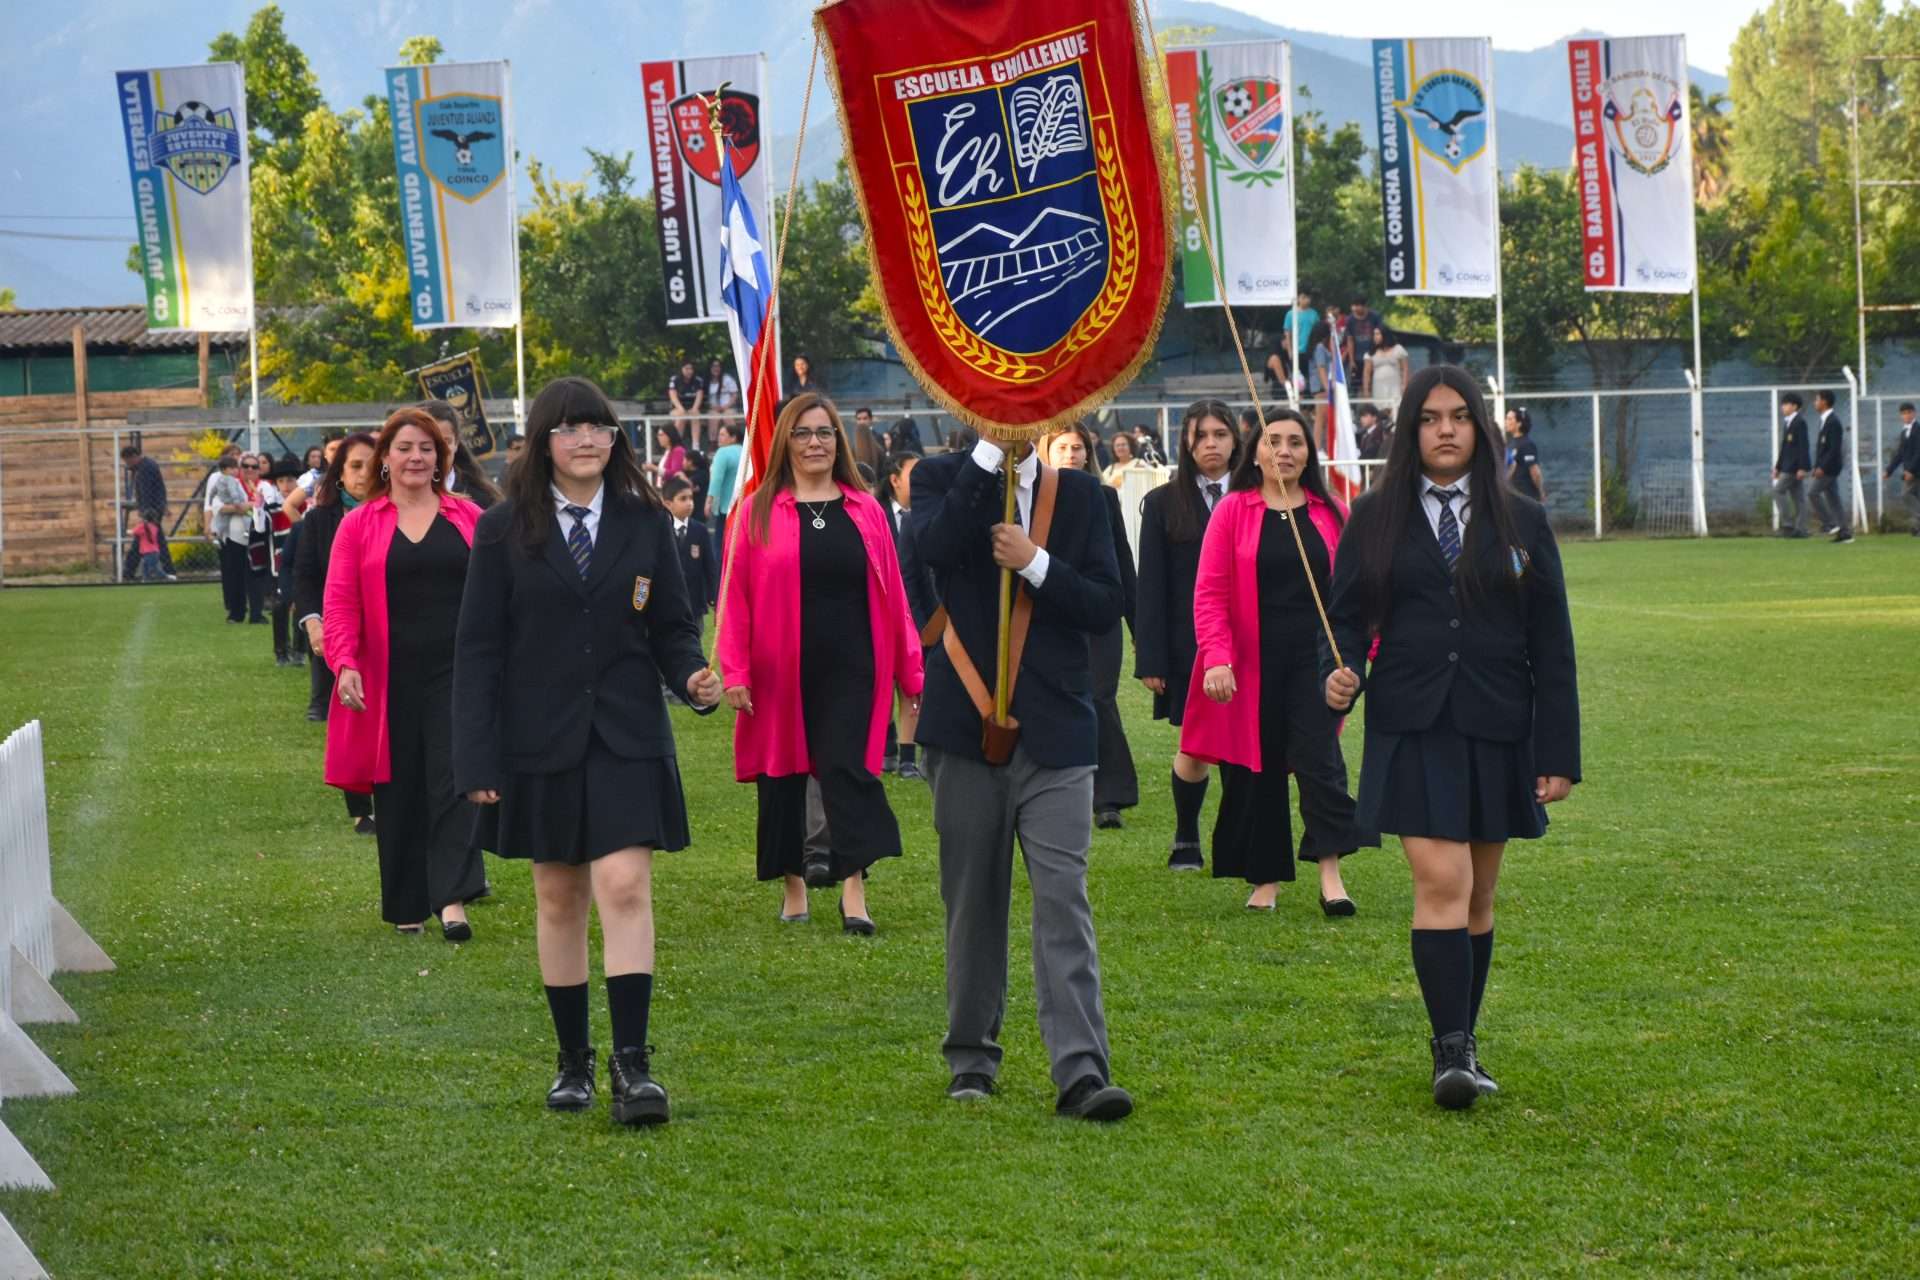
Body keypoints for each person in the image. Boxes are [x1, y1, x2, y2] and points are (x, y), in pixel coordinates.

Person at [455, 375, 722, 1127]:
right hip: (536, 740)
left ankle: (633, 1068)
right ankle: (571, 1061)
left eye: (599, 428)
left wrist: (692, 677)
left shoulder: (645, 522)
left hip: (628, 735)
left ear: (615, 440)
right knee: (558, 896)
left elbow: (670, 627)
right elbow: (478, 651)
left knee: (626, 885)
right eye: (570, 429)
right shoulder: (501, 530)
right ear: (543, 441)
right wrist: (475, 760)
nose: (586, 441)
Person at [1321, 365, 1580, 1110]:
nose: (1444, 429)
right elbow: (1343, 620)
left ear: (1480, 427)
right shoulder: (1372, 517)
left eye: (1459, 416)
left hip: (1500, 727)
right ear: (1409, 430)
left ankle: (1464, 1040)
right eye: (1430, 417)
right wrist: (1336, 673)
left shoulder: (1523, 521)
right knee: (1443, 883)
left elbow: (1551, 639)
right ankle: (1451, 1054)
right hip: (1412, 725)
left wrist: (1558, 754)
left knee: (1479, 897)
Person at [909, 425, 1132, 1121]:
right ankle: (971, 1058)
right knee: (973, 900)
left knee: (1064, 899)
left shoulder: (1084, 495)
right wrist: (985, 458)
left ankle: (1082, 1071)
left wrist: (1037, 563)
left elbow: (1105, 602)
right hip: (965, 727)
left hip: (1059, 733)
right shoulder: (941, 478)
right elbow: (932, 550)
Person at [719, 394, 923, 934]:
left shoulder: (867, 511)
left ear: (839, 441)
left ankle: (853, 889)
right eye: (804, 433)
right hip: (777, 669)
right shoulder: (754, 512)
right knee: (782, 779)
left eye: (825, 432)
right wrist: (735, 671)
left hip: (853, 664)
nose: (815, 442)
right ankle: (794, 886)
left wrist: (910, 670)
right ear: (784, 441)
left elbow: (894, 595)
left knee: (850, 771)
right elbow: (734, 599)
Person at [1183, 409, 1360, 912]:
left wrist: (1358, 655)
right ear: (1255, 452)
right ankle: (1265, 878)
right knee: (1255, 770)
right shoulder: (1233, 511)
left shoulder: (1332, 514)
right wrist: (1217, 658)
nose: (1284, 450)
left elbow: (1352, 597)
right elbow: (1210, 593)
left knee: (1320, 763)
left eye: (1296, 443)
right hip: (1249, 665)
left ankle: (1331, 874)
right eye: (1273, 441)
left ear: (1309, 455)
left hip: (1316, 664)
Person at [323, 408, 487, 939]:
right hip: (386, 678)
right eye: (405, 448)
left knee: (454, 781)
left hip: (458, 674)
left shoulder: (470, 518)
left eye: (427, 448)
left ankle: (453, 899)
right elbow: (340, 603)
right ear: (386, 459)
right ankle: (407, 904)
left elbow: (498, 595)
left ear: (442, 458)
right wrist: (344, 662)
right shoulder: (358, 524)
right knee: (399, 790)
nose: (416, 457)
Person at [1135, 399, 1241, 870]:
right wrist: (1151, 659)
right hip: (1187, 646)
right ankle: (1186, 838)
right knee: (1194, 745)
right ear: (1186, 444)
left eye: (1220, 434)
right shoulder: (1161, 503)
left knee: (1246, 748)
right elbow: (1150, 585)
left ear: (1236, 439)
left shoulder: (1260, 497)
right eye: (1200, 436)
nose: (1211, 444)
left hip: (1250, 644)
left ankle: (1239, 839)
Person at [1044, 423, 1137, 831]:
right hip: (1054, 615)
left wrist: (1141, 630)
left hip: (1100, 615)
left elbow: (1123, 565)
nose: (1070, 454)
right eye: (1062, 447)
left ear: (1088, 453)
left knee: (1101, 698)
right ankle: (1061, 791)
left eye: (1077, 447)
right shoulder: (1035, 499)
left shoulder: (1105, 497)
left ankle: (1110, 797)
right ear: (1047, 452)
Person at [295, 429, 381, 853]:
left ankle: (393, 791)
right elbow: (306, 576)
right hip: (340, 631)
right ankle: (362, 806)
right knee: (352, 713)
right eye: (355, 465)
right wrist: (314, 623)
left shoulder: (401, 513)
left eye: (372, 463)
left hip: (388, 632)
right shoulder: (320, 519)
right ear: (340, 475)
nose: (365, 473)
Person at [877, 450, 933, 780]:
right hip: (884, 615)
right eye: (915, 473)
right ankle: (886, 748)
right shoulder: (877, 514)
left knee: (914, 686)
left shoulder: (927, 515)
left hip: (918, 616)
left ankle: (909, 755)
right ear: (895, 480)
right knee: (884, 684)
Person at [419, 400, 504, 509]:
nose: (437, 451)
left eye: (445, 442)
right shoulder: (393, 498)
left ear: (456, 443)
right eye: (425, 444)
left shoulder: (482, 501)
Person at [207, 455, 259, 623]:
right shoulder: (221, 485)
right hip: (231, 538)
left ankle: (255, 612)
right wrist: (241, 507)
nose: (238, 471)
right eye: (235, 468)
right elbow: (220, 508)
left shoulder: (240, 485)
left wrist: (246, 506)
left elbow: (250, 505)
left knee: (250, 575)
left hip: (247, 535)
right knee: (234, 576)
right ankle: (237, 612)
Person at [119, 444, 177, 581]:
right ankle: (167, 571)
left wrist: (145, 513)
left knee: (149, 541)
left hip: (151, 512)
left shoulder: (145, 468)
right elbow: (157, 489)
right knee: (151, 541)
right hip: (153, 510)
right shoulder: (147, 465)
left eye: (128, 461)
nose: (128, 465)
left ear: (134, 457)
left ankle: (129, 572)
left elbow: (147, 492)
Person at [662, 476, 714, 623]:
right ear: (668, 504)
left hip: (694, 603)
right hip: (667, 603)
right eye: (683, 499)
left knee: (694, 640)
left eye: (691, 498)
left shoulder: (700, 530)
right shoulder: (659, 530)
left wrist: (713, 595)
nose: (689, 503)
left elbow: (709, 566)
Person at [1809, 390, 1852, 542]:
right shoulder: (1825, 420)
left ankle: (1830, 523)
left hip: (1830, 468)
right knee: (1834, 499)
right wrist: (1816, 465)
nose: (1815, 403)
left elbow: (1834, 449)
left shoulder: (1833, 422)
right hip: (1825, 467)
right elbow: (1822, 448)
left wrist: (1822, 467)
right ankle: (1845, 533)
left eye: (1817, 399)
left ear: (1824, 402)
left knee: (1812, 493)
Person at [1773, 394, 1812, 538]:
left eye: (1786, 404)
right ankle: (1801, 529)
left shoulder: (1799, 422)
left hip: (1794, 467)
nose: (1783, 407)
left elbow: (1803, 446)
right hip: (1787, 466)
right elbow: (1785, 447)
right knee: (1799, 498)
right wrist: (1778, 467)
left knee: (1777, 491)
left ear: (1794, 406)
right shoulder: (1788, 422)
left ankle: (1788, 525)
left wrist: (1802, 467)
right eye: (1782, 404)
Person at [1884, 402, 1920, 535]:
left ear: (1913, 413)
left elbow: (1918, 452)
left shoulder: (1918, 429)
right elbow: (1900, 453)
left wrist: (1910, 470)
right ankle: (1918, 528)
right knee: (1914, 497)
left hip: (1915, 471)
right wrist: (1889, 470)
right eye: (1903, 413)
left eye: (1908, 413)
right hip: (1910, 471)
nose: (1905, 416)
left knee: (1906, 495)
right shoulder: (1904, 431)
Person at [1364, 324, 1408, 418]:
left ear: (1385, 335)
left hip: (1395, 386)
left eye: (1378, 334)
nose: (1375, 337)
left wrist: (1404, 385)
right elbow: (1366, 373)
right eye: (1374, 334)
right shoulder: (1371, 353)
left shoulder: (1398, 349)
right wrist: (1366, 391)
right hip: (1379, 387)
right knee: (1381, 412)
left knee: (1396, 412)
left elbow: (1405, 369)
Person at [1504, 407, 1545, 503]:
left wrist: (1540, 491)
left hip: (1526, 496)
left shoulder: (1527, 444)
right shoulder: (1511, 443)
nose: (1506, 421)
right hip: (1514, 495)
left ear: (1519, 424)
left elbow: (1535, 471)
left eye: (1510, 419)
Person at [668, 357, 705, 442]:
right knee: (681, 415)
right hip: (677, 409)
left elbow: (699, 395)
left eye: (691, 368)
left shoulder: (698, 380)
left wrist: (695, 408)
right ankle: (677, 444)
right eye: (686, 368)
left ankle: (696, 446)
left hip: (692, 409)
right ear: (681, 369)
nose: (689, 371)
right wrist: (681, 409)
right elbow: (673, 395)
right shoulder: (675, 379)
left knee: (695, 415)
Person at [130, 510, 166, 582]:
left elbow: (133, 532)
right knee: (145, 567)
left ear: (144, 518)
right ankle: (146, 580)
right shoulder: (154, 527)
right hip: (155, 551)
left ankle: (167, 577)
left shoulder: (142, 526)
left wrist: (127, 531)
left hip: (148, 552)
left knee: (153, 568)